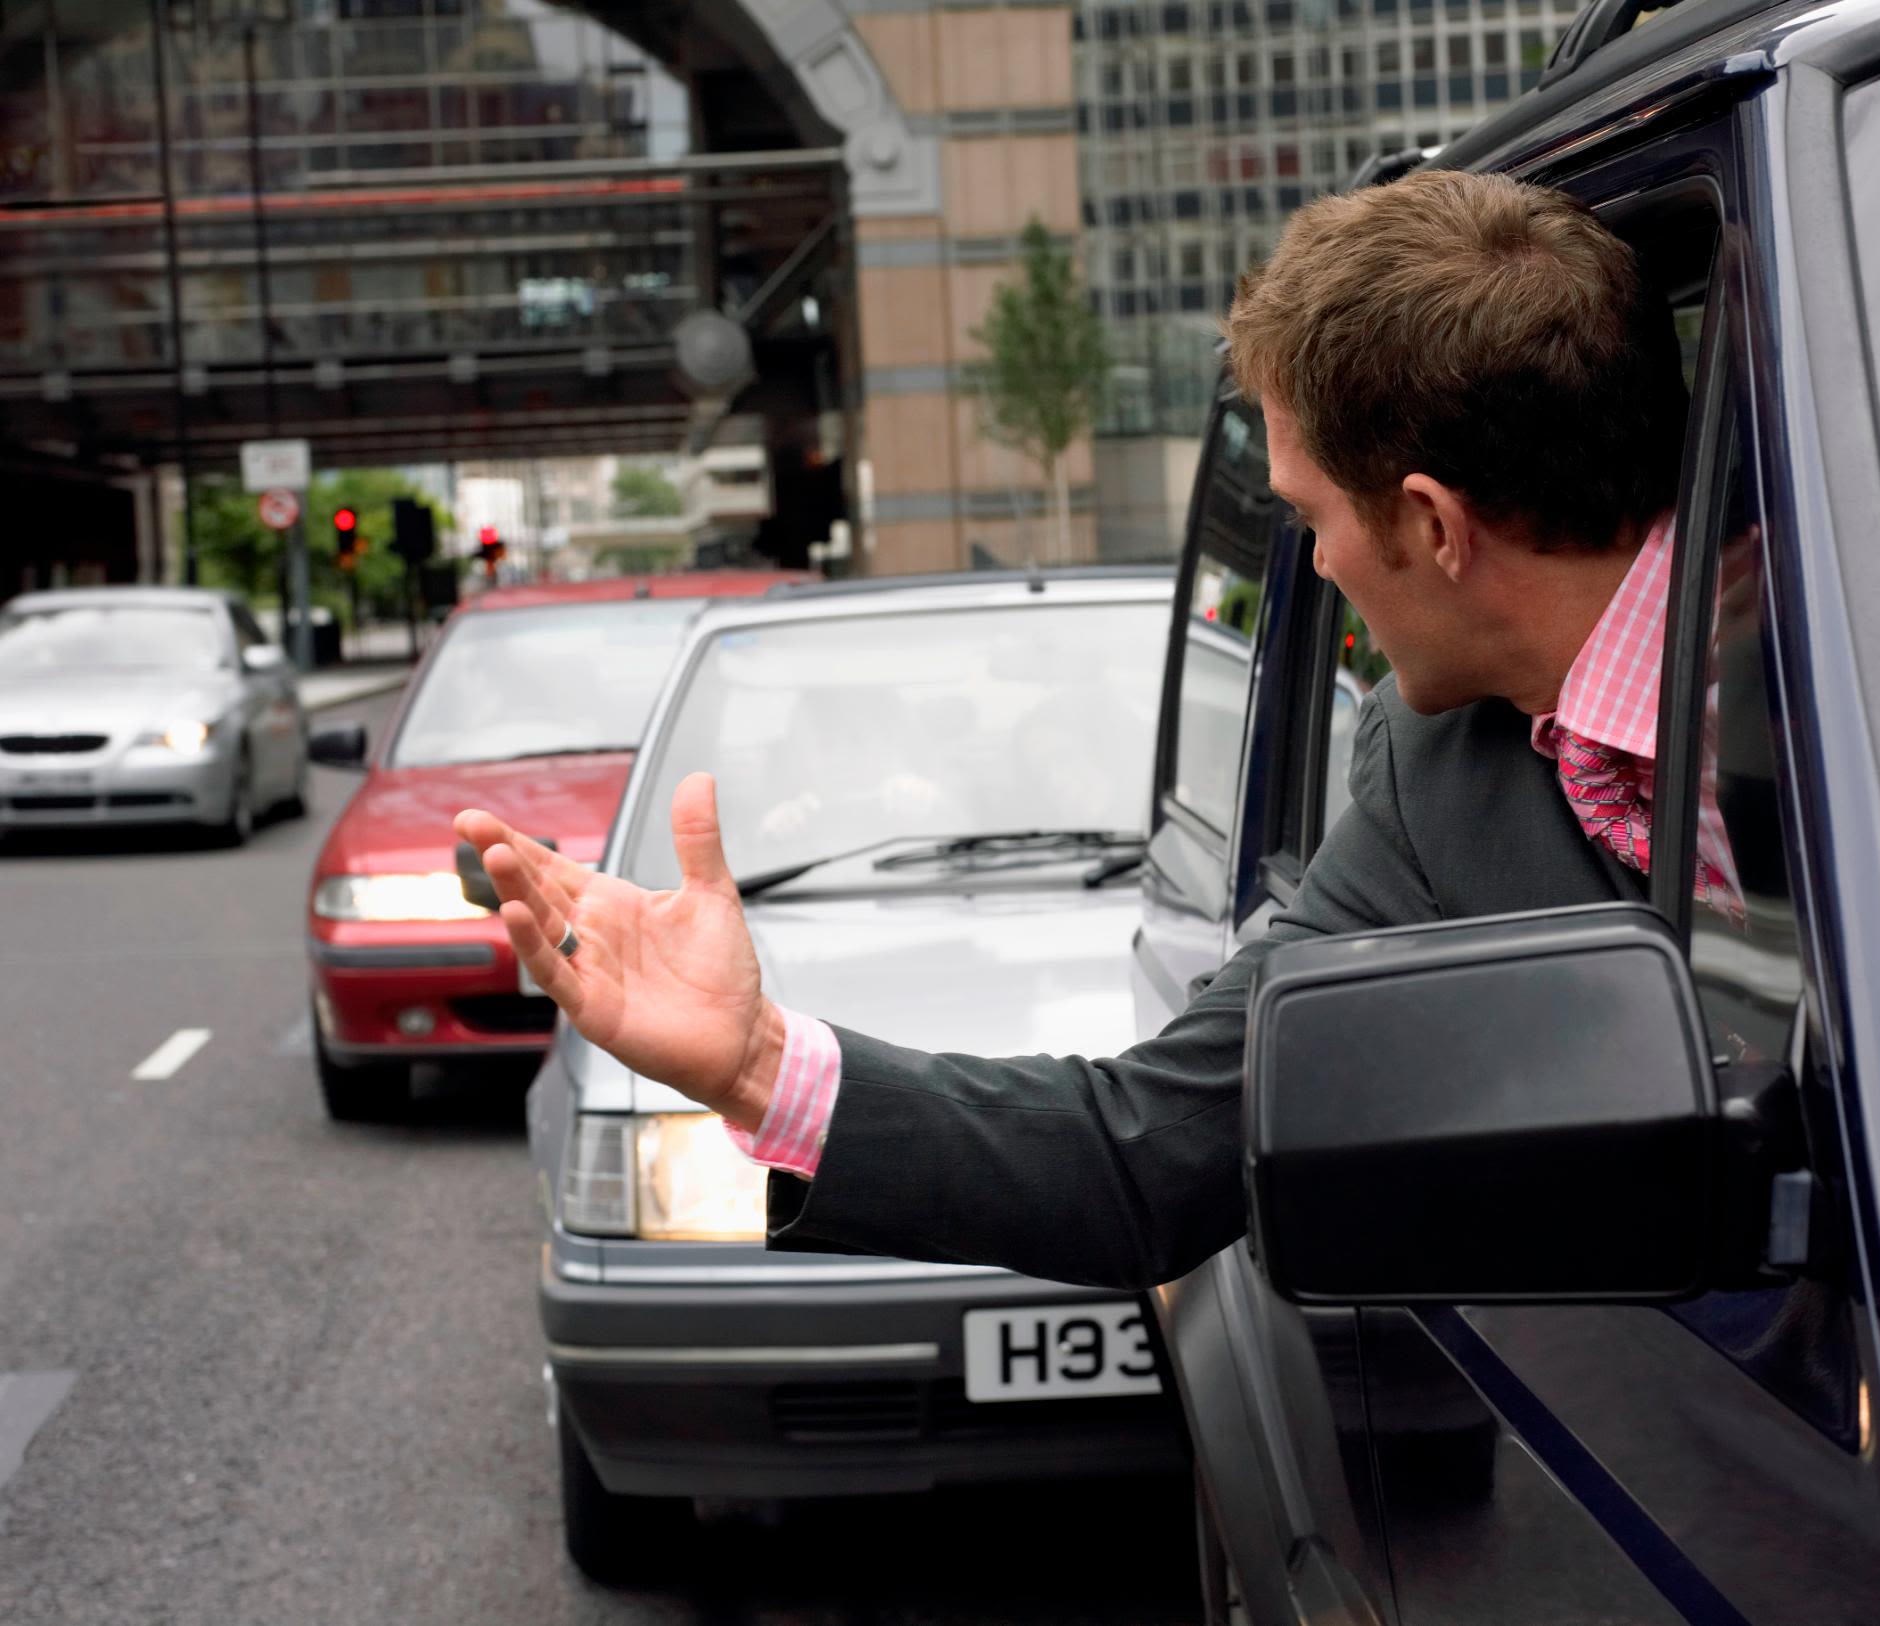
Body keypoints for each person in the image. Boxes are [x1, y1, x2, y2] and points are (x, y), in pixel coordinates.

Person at [456, 168, 1721, 1291]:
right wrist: (754, 1063)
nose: (1321, 566)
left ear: (1435, 527)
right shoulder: (1432, 782)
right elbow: (1143, 1162)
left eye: (1311, 515)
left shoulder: (1871, 646)